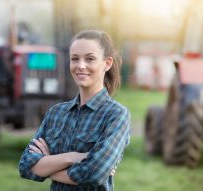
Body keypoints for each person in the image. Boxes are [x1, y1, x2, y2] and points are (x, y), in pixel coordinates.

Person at [18, 29, 131, 190]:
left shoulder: (116, 115)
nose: (80, 66)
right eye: (74, 59)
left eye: (90, 59)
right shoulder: (56, 113)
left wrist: (47, 165)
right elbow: (25, 166)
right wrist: (70, 158)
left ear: (107, 63)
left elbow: (93, 174)